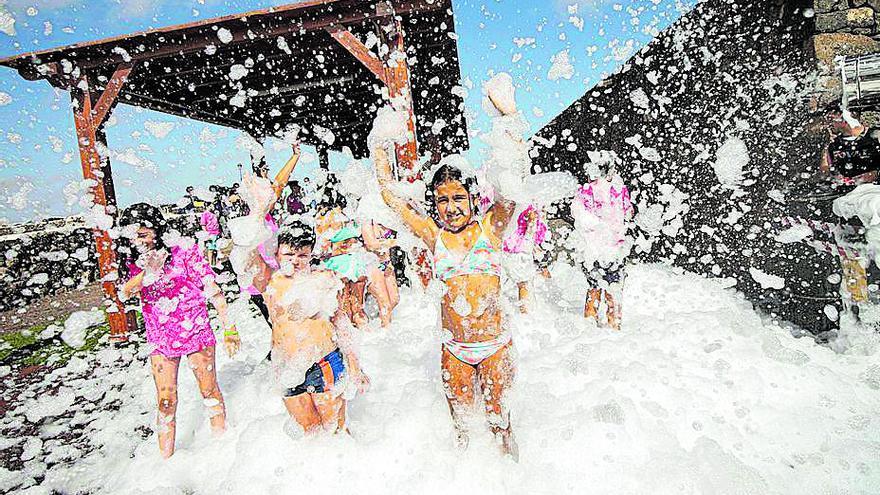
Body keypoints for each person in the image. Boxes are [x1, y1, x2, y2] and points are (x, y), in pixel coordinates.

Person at [372, 146, 520, 458]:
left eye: (457, 198)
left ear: (472, 198)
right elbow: (391, 198)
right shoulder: (433, 236)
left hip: (494, 345)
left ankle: (511, 477)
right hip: (455, 350)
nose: (450, 207)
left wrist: (507, 117)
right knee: (463, 428)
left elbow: (513, 180)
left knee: (500, 422)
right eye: (442, 200)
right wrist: (380, 147)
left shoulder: (490, 229)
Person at [119, 203, 240, 459]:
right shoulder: (132, 258)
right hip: (160, 337)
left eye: (143, 234)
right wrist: (147, 271)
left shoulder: (183, 250)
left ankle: (222, 450)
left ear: (157, 229)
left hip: (195, 331)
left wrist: (229, 328)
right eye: (132, 235)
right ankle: (166, 462)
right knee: (165, 401)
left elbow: (212, 289)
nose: (137, 241)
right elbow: (124, 292)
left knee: (208, 390)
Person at [238, 207, 370, 434]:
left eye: (302, 255)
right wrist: (258, 209)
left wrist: (356, 367)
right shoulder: (269, 283)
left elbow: (342, 323)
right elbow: (245, 254)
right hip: (287, 365)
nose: (295, 261)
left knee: (335, 431)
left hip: (324, 361)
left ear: (311, 255)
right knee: (309, 432)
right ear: (277, 253)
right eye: (289, 255)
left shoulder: (323, 279)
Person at [571, 161, 634, 330]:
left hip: (592, 248)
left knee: (593, 286)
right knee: (614, 287)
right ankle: (614, 326)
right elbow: (628, 212)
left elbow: (576, 214)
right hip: (613, 247)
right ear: (611, 171)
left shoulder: (584, 190)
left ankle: (589, 324)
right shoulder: (619, 189)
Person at [502, 204, 551, 314]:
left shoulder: (515, 199)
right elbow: (531, 226)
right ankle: (527, 317)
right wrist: (531, 245)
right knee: (524, 284)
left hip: (505, 246)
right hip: (520, 249)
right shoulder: (529, 202)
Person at [821, 104, 880, 184]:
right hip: (849, 193)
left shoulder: (875, 136)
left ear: (844, 118)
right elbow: (825, 171)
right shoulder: (833, 145)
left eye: (831, 119)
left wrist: (875, 174)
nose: (828, 124)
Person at [361, 221, 401, 326]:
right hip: (372, 265)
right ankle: (387, 333)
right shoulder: (366, 220)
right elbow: (371, 245)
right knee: (385, 305)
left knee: (394, 300)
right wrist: (397, 242)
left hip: (386, 264)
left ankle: (380, 326)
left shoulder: (384, 218)